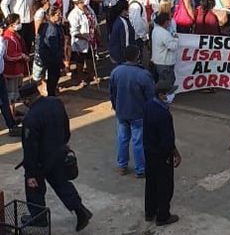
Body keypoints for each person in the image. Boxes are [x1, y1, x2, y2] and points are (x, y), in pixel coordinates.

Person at [19, 80, 93, 231]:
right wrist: (63, 143)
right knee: (62, 184)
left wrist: (31, 173)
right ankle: (80, 210)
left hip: (41, 160)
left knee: (34, 189)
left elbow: (30, 148)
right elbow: (66, 126)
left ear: (27, 99)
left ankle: (39, 218)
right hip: (59, 153)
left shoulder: (31, 118)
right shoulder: (55, 103)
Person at [109, 45, 155, 178]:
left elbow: (112, 93)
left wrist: (115, 106)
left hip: (122, 112)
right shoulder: (143, 74)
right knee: (138, 141)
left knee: (122, 138)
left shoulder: (116, 72)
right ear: (138, 56)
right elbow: (151, 96)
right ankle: (140, 169)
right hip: (138, 113)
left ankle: (122, 165)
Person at [143, 80, 182, 226]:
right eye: (169, 93)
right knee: (165, 186)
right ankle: (163, 216)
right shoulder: (163, 114)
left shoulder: (148, 106)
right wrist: (175, 153)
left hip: (149, 151)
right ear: (161, 95)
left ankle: (150, 212)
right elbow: (167, 139)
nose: (171, 96)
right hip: (161, 154)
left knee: (151, 183)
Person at [37, 6, 64, 97]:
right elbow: (53, 47)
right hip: (52, 57)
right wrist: (59, 59)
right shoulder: (51, 29)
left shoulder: (52, 25)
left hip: (50, 56)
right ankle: (51, 95)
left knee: (54, 76)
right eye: (58, 14)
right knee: (53, 76)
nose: (60, 16)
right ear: (52, 15)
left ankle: (51, 93)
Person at [0, 25, 21, 136]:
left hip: (1, 75)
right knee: (3, 102)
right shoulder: (1, 41)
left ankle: (11, 124)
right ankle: (11, 126)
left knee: (4, 102)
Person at [151, 12, 179, 85]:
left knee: (161, 80)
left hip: (158, 60)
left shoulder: (155, 30)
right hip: (165, 62)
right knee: (167, 82)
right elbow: (173, 47)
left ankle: (160, 94)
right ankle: (162, 95)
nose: (170, 22)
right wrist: (176, 39)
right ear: (166, 22)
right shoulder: (164, 33)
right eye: (169, 21)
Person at [108, 0, 136, 65]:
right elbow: (126, 43)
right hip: (121, 58)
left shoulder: (118, 19)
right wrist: (129, 59)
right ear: (124, 10)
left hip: (116, 55)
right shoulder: (123, 23)